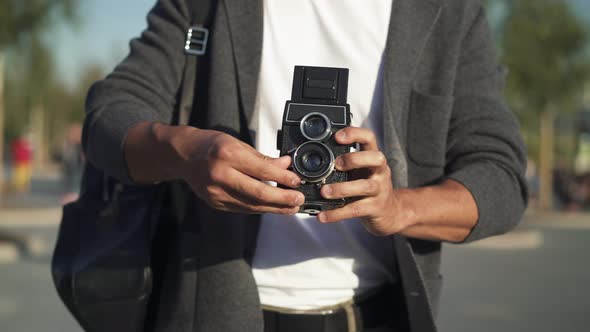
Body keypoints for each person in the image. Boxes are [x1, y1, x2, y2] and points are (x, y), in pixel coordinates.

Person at [82, 0, 528, 331]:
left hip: (376, 312)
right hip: (215, 309)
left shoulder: (448, 11)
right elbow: (109, 114)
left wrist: (397, 208)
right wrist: (186, 152)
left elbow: (501, 178)